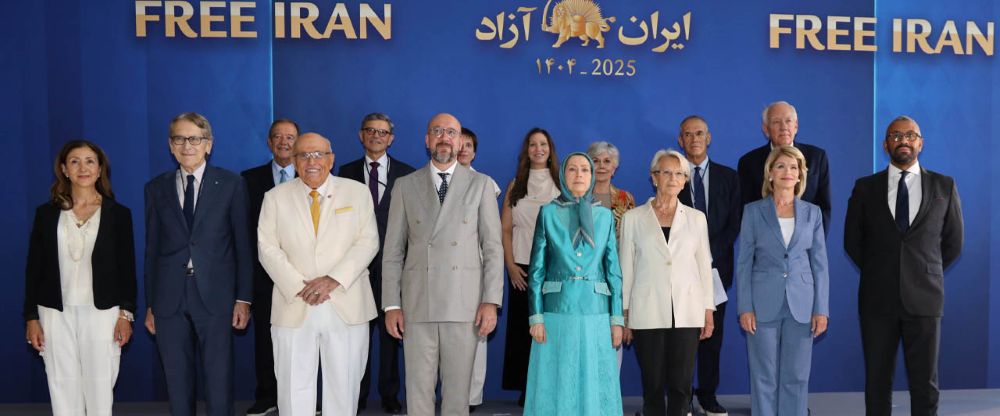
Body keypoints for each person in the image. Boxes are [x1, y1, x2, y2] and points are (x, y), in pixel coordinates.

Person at [381, 113, 504, 416]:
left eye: (451, 132)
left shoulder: (481, 185)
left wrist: (491, 301)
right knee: (418, 392)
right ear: (427, 140)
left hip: (464, 305)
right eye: (437, 131)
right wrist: (391, 304)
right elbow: (393, 251)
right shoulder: (405, 186)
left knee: (457, 396)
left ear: (460, 141)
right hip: (417, 304)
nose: (444, 137)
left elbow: (492, 247)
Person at [844, 116, 963, 416]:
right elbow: (852, 241)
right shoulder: (865, 187)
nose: (903, 141)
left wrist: (923, 270)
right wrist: (880, 269)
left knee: (925, 384)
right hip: (877, 299)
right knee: (877, 383)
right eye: (895, 136)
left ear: (921, 143)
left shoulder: (944, 186)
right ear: (885, 145)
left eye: (910, 135)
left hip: (925, 298)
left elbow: (953, 242)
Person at [257, 133, 380, 415]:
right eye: (303, 155)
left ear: (331, 159)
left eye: (318, 154)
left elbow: (368, 242)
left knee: (343, 387)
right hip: (294, 303)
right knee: (293, 388)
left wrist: (332, 280)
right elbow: (267, 248)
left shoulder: (357, 192)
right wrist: (301, 287)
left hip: (346, 302)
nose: (311, 161)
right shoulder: (275, 198)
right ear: (294, 160)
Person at [144, 112, 252, 416]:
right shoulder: (156, 188)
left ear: (209, 144)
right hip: (169, 297)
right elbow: (152, 250)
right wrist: (151, 303)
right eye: (179, 138)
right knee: (177, 383)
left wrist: (243, 298)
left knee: (218, 381)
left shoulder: (231, 184)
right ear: (170, 145)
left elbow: (243, 245)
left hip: (216, 295)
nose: (187, 145)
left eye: (195, 138)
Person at [23, 140, 137, 416]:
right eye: (74, 161)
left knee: (100, 386)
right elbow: (34, 269)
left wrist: (126, 314)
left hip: (103, 313)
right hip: (54, 312)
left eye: (89, 161)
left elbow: (127, 268)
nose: (82, 168)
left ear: (99, 169)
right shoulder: (46, 214)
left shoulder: (118, 214)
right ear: (64, 169)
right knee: (62, 385)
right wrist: (31, 317)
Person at [524, 152, 625, 416]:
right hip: (557, 311)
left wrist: (617, 319)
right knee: (558, 379)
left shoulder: (605, 216)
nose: (579, 175)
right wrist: (536, 316)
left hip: (596, 310)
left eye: (585, 170)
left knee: (594, 379)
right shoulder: (547, 213)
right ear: (562, 175)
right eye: (572, 169)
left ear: (592, 176)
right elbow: (536, 270)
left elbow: (613, 271)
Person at [620, 149, 715, 416]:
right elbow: (626, 268)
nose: (673, 178)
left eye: (679, 174)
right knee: (652, 383)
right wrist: (624, 313)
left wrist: (708, 310)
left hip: (687, 310)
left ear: (685, 181)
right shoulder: (633, 218)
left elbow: (704, 267)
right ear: (654, 177)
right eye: (666, 173)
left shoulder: (697, 219)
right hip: (646, 310)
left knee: (681, 385)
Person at [737, 145, 829, 416]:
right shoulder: (753, 212)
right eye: (780, 166)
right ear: (770, 173)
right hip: (762, 303)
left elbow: (820, 265)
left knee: (797, 377)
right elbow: (744, 263)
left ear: (800, 175)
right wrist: (745, 307)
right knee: (763, 377)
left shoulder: (813, 213)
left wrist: (821, 309)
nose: (787, 172)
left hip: (802, 304)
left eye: (793, 167)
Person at [337, 113, 414, 414]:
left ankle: (389, 395)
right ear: (361, 135)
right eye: (370, 130)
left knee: (391, 335)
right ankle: (357, 395)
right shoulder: (345, 172)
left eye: (382, 132)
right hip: (356, 270)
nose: (376, 136)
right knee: (357, 337)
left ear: (391, 138)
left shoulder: (406, 174)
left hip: (394, 269)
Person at [675, 116, 742, 416]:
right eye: (688, 134)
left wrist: (707, 255)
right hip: (681, 271)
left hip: (716, 270)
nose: (694, 139)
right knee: (682, 338)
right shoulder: (673, 176)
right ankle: (682, 397)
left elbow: (734, 222)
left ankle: (708, 395)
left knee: (712, 337)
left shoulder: (729, 177)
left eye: (699, 133)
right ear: (681, 140)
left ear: (709, 137)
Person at [240, 118, 299, 416]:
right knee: (265, 339)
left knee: (303, 340)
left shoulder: (313, 175)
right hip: (263, 276)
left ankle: (302, 397)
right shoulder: (249, 179)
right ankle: (267, 397)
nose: (284, 142)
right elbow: (243, 230)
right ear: (269, 142)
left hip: (304, 276)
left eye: (290, 137)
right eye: (278, 137)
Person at [499, 128, 560, 407]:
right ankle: (526, 387)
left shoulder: (560, 183)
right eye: (533, 145)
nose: (538, 149)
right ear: (527, 151)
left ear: (550, 149)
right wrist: (510, 265)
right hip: (522, 268)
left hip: (553, 268)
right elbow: (505, 229)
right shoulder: (516, 184)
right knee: (522, 331)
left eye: (543, 144)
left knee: (551, 329)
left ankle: (549, 385)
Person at [457, 127, 502, 412]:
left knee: (477, 335)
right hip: (445, 270)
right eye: (459, 144)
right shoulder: (433, 183)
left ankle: (472, 397)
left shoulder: (486, 184)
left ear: (474, 153)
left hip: (476, 267)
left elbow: (490, 236)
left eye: (469, 146)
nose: (463, 149)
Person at [737, 101, 831, 234]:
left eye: (788, 121)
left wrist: (813, 241)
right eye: (776, 122)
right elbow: (745, 211)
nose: (784, 127)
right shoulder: (748, 162)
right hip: (764, 242)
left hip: (806, 242)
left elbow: (824, 207)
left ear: (796, 126)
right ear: (766, 129)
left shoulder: (817, 157)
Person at [587, 141, 635, 238]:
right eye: (595, 161)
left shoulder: (625, 198)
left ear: (614, 168)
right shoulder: (578, 198)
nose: (601, 166)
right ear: (588, 167)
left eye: (607, 161)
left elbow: (632, 233)